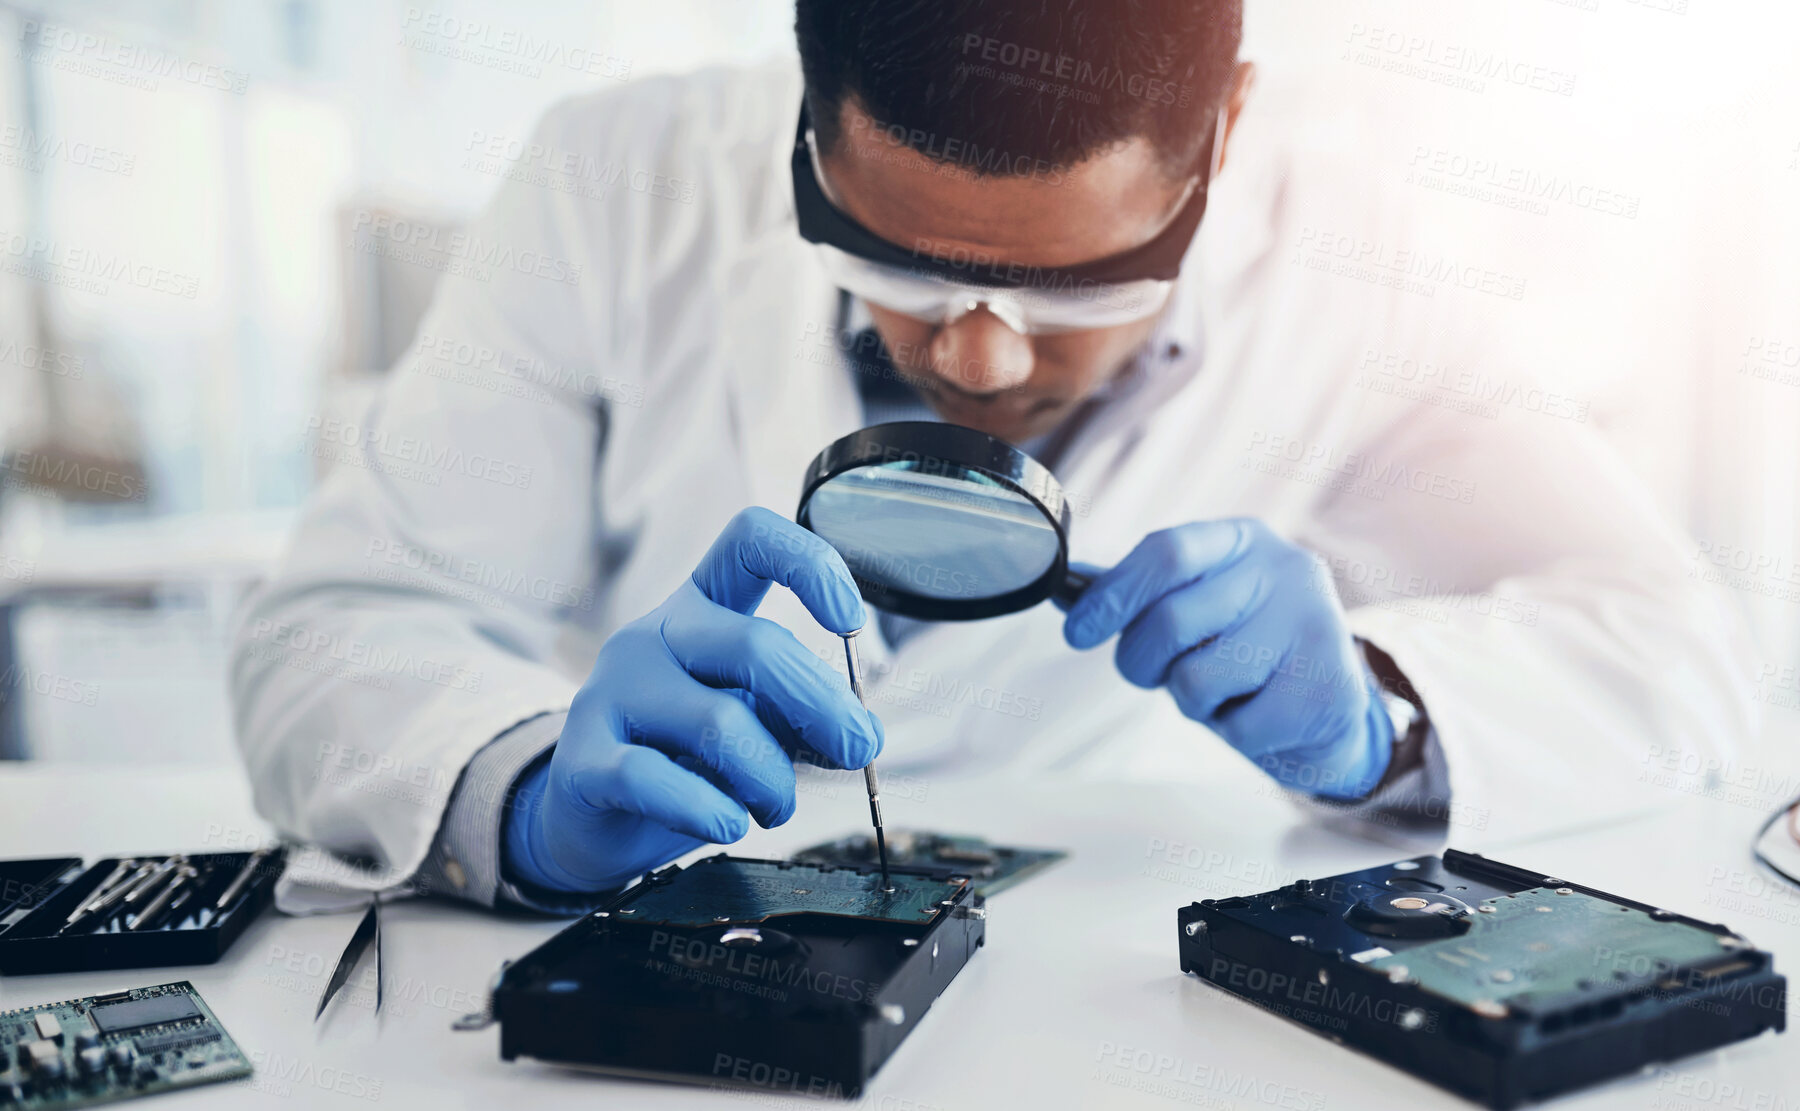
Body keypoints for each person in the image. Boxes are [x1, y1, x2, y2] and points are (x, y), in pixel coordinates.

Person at [231, 0, 1750, 911]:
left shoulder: (1356, 261)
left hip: (1116, 991)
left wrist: (1384, 722)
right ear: (808, 113)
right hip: (674, 959)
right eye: (891, 261)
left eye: (1083, 284)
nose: (977, 359)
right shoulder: (610, 180)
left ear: (1224, 126)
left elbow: (1683, 654)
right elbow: (337, 632)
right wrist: (524, 793)